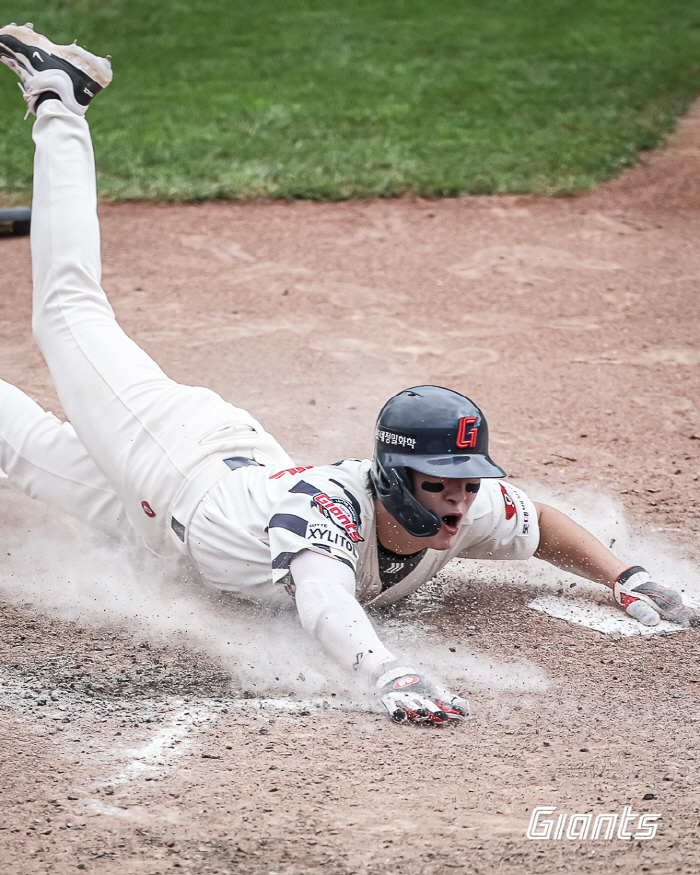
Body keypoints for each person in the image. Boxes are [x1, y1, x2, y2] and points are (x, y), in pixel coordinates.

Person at [0, 23, 696, 726]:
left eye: (466, 480)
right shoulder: (328, 518)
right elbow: (325, 602)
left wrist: (624, 577)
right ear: (396, 479)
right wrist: (385, 670)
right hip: (174, 457)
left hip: (173, 519)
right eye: (441, 483)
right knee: (67, 315)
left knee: (23, 450)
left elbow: (538, 521)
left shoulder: (460, 504)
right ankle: (61, 96)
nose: (459, 500)